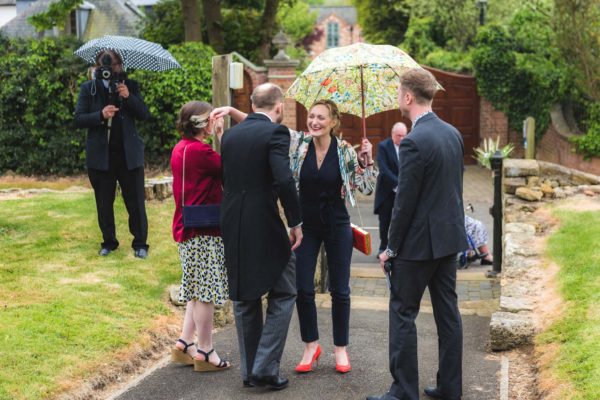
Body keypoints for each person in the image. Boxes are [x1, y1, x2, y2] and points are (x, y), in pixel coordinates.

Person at [212, 99, 377, 375]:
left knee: (340, 290)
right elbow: (260, 126)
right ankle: (311, 345)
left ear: (333, 122)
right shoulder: (299, 144)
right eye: (311, 116)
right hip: (306, 226)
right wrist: (231, 112)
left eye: (321, 118)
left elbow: (367, 187)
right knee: (302, 288)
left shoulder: (347, 152)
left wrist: (367, 161)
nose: (314, 122)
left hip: (337, 225)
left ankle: (340, 348)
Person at [368, 69, 469, 400]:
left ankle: (403, 391)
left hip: (417, 245)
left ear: (408, 97)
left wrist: (390, 249)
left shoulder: (413, 142)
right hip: (449, 239)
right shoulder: (452, 133)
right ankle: (450, 388)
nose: (398, 97)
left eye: (399, 92)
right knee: (448, 316)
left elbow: (404, 204)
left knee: (402, 313)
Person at [219, 83, 303, 390]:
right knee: (285, 289)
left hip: (232, 220)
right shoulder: (275, 133)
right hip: (264, 221)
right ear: (279, 107)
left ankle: (250, 372)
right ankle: (265, 367)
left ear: (253, 104)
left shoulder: (229, 136)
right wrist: (296, 221)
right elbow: (283, 178)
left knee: (244, 296)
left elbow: (225, 179)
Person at [169, 101, 231, 372]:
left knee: (195, 288)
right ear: (204, 123)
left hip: (185, 226)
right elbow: (231, 168)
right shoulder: (202, 152)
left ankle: (185, 343)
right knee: (205, 292)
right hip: (203, 230)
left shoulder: (181, 148)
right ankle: (205, 350)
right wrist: (221, 135)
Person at [74, 50, 151, 259]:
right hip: (101, 156)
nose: (111, 68)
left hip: (128, 155)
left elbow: (145, 114)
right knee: (103, 203)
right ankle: (109, 242)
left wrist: (129, 97)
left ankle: (140, 243)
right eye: (106, 65)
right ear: (97, 67)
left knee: (135, 202)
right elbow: (78, 119)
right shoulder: (88, 88)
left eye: (115, 64)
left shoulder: (130, 85)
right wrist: (100, 114)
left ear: (121, 65)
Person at [374, 122, 408, 254]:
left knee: (401, 219)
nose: (402, 139)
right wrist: (397, 184)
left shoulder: (408, 146)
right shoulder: (384, 146)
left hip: (403, 190)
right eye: (399, 136)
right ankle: (383, 246)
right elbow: (384, 169)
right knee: (385, 220)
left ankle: (398, 247)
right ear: (393, 135)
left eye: (404, 136)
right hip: (387, 190)